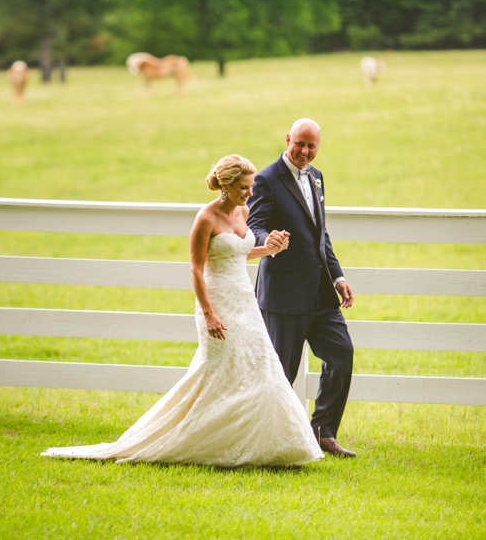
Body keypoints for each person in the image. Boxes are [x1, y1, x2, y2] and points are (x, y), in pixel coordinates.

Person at [42, 155, 323, 467]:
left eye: (251, 185)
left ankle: (268, 446)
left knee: (261, 369)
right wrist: (209, 314)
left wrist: (269, 249)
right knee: (217, 373)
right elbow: (196, 270)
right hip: (216, 302)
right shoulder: (206, 218)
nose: (250, 192)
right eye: (244, 187)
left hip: (245, 301)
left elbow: (239, 254)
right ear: (226, 187)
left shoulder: (244, 211)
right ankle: (188, 440)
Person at [246, 118, 357, 458]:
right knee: (283, 372)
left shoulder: (317, 177)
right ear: (288, 139)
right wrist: (269, 240)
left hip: (321, 294)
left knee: (342, 355)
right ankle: (271, 442)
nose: (305, 152)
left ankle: (323, 432)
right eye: (300, 144)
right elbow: (255, 224)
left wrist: (337, 277)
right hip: (284, 294)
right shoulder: (266, 179)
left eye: (311, 147)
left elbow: (319, 234)